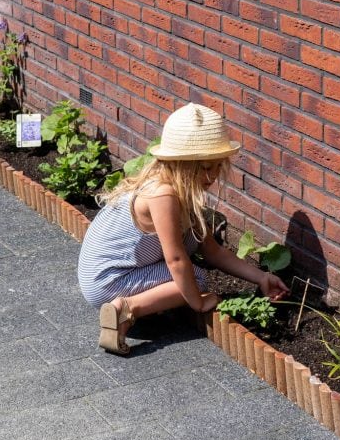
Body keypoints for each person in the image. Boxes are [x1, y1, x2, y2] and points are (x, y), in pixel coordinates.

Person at [77, 102, 288, 354]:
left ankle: (137, 302)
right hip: (106, 281)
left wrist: (262, 277)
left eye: (218, 166)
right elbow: (176, 260)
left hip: (106, 271)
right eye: (204, 168)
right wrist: (197, 303)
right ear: (179, 164)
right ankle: (125, 309)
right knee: (194, 278)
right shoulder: (162, 194)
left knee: (193, 267)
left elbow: (213, 251)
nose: (212, 175)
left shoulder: (181, 191)